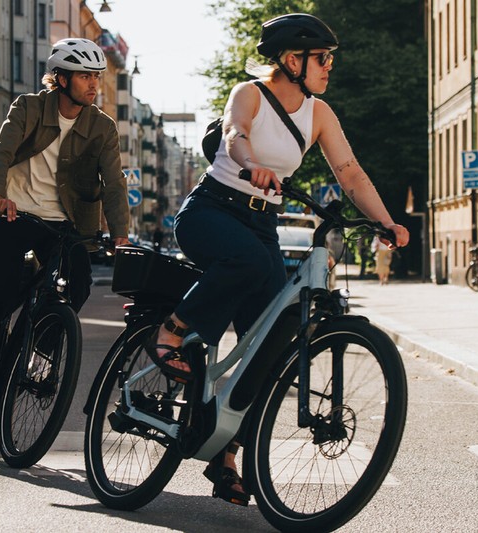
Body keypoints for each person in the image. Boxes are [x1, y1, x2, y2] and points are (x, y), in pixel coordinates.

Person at [148, 14, 410, 506]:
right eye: (322, 58)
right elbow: (234, 134)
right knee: (246, 263)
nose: (329, 67)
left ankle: (225, 456)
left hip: (261, 225)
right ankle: (174, 329)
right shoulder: (249, 93)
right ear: (293, 60)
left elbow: (350, 173)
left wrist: (386, 221)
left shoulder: (320, 113)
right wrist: (253, 165)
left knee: (272, 340)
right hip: (212, 211)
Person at [0, 38, 132, 418]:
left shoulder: (102, 127)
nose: (94, 84)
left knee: (79, 285)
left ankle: (39, 350)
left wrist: (119, 232)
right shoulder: (29, 107)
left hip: (64, 222)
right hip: (14, 213)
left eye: (96, 77)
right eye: (84, 76)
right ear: (59, 78)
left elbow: (114, 181)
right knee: (2, 293)